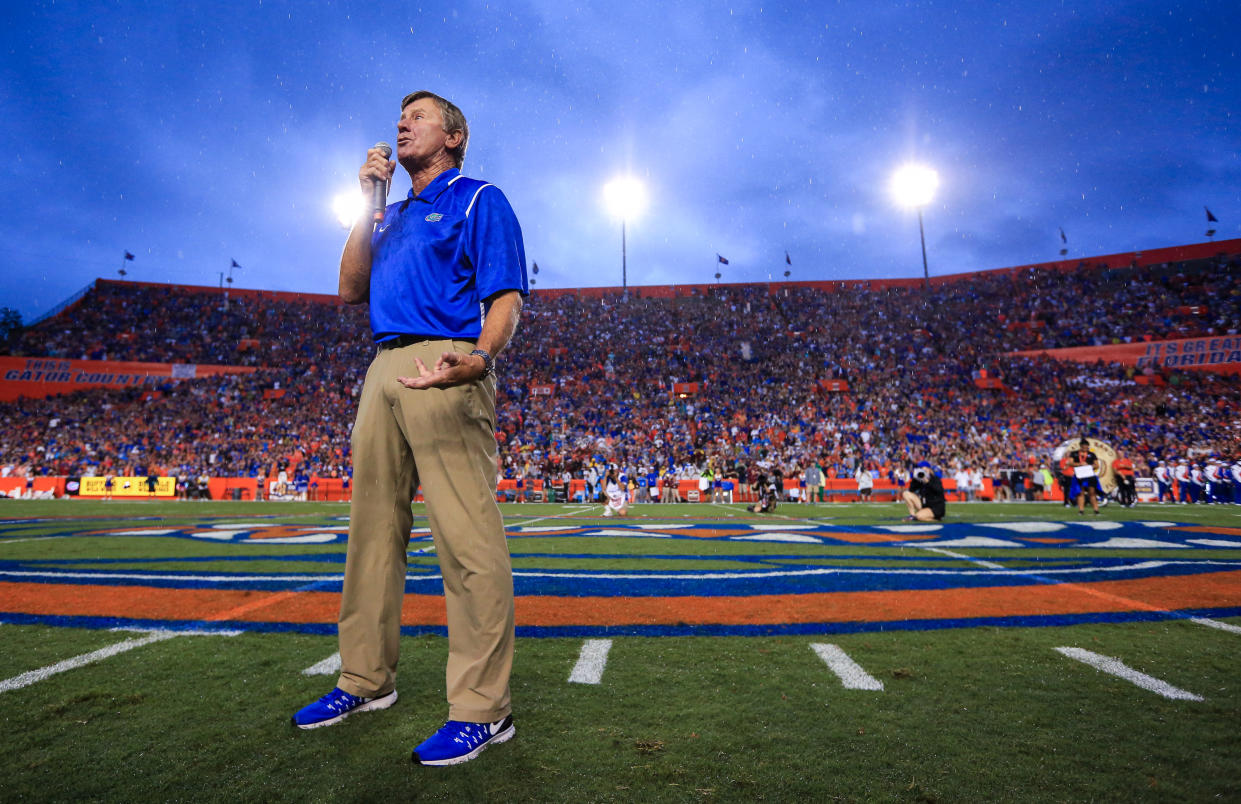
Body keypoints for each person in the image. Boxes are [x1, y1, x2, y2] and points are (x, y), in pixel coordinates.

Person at [292, 90, 527, 767]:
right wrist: (370, 198)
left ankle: (485, 709)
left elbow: (505, 294)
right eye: (401, 116)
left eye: (420, 116)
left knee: (466, 539)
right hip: (383, 364)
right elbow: (347, 290)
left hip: (446, 358)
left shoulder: (480, 198)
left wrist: (480, 358)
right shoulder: (388, 214)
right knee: (371, 534)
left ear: (455, 137)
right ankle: (365, 680)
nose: (403, 123)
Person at [1069, 439, 1102, 515]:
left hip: (1089, 475)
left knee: (1092, 493)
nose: (1085, 448)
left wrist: (1089, 466)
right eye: (1083, 447)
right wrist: (1079, 464)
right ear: (1080, 446)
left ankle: (1096, 510)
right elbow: (1070, 463)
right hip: (1079, 475)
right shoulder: (1074, 454)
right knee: (1080, 493)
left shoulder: (1092, 454)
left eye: (1086, 447)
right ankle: (1081, 510)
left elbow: (1097, 465)